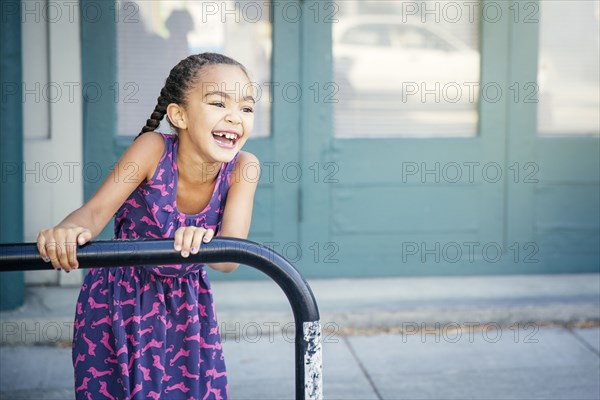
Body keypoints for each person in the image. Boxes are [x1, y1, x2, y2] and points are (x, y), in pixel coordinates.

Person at [36, 52, 259, 399]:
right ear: (179, 115)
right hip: (119, 302)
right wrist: (66, 230)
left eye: (247, 108)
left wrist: (208, 240)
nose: (235, 117)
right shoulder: (151, 149)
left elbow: (229, 258)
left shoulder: (245, 167)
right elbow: (94, 213)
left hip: (187, 308)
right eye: (218, 103)